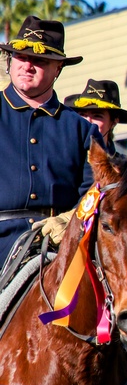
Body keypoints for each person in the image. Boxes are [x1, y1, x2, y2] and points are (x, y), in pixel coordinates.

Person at [0, 16, 100, 264]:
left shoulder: (81, 130)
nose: (27, 66)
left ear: (58, 68)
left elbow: (96, 192)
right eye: (21, 57)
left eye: (40, 60)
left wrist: (71, 221)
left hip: (60, 249)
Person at [63, 78, 127, 154]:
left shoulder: (121, 165)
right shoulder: (64, 158)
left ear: (113, 122)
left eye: (97, 116)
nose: (88, 121)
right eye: (83, 114)